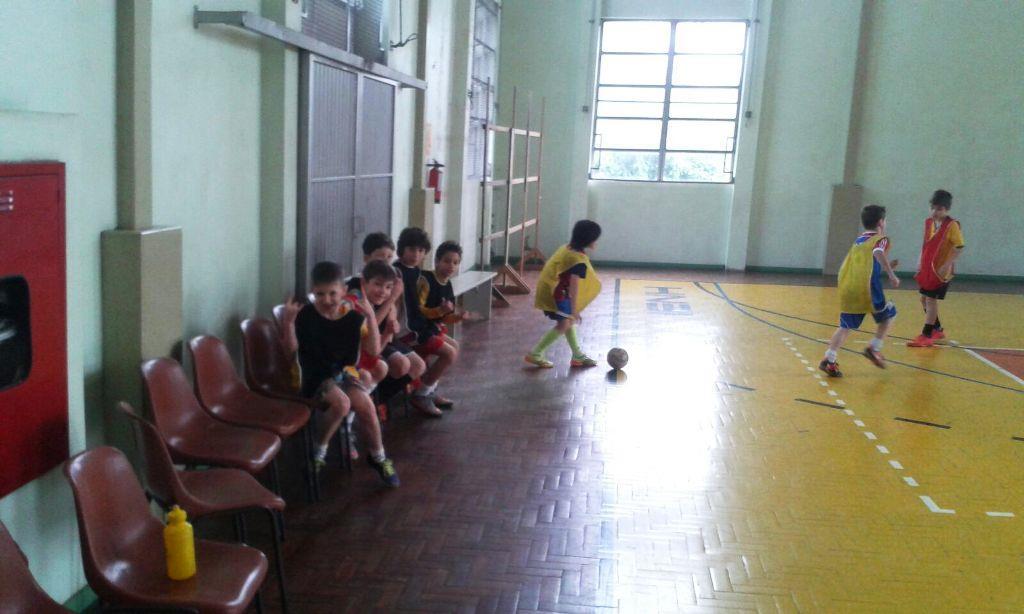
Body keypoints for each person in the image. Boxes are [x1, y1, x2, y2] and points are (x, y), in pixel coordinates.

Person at [280, 260, 400, 487]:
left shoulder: (354, 317)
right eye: (320, 294)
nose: (327, 300)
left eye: (332, 293)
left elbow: (373, 351)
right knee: (342, 404)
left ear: (343, 291)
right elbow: (290, 354)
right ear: (313, 292)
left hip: (343, 372)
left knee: (366, 405)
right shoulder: (306, 315)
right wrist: (288, 324)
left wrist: (371, 317)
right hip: (313, 374)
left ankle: (379, 457)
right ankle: (319, 451)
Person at [819, 205, 900, 377]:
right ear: (881, 222)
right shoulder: (880, 239)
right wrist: (891, 274)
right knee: (889, 314)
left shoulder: (859, 241)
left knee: (845, 327)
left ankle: (829, 360)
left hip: (849, 287)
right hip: (867, 289)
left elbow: (866, 264)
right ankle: (874, 348)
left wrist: (886, 266)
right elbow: (878, 252)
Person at [394, 227, 458, 414]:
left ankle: (429, 389)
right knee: (449, 354)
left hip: (420, 326)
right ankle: (421, 394)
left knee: (454, 346)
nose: (416, 254)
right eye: (411, 249)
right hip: (407, 330)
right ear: (402, 249)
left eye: (421, 250)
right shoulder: (396, 272)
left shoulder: (416, 272)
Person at [525, 219, 602, 369]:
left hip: (553, 289)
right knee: (564, 324)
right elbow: (574, 286)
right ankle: (536, 353)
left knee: (568, 321)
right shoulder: (577, 260)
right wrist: (574, 309)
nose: (596, 242)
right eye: (595, 239)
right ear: (589, 239)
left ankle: (577, 355)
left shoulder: (567, 248)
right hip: (557, 294)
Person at [907, 189, 965, 347]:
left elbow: (959, 247)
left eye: (939, 209)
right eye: (932, 207)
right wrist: (920, 262)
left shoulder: (952, 225)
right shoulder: (929, 223)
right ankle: (937, 329)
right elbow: (926, 245)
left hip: (941, 272)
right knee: (924, 299)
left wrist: (946, 265)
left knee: (930, 300)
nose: (935, 211)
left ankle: (926, 335)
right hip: (928, 268)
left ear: (947, 209)